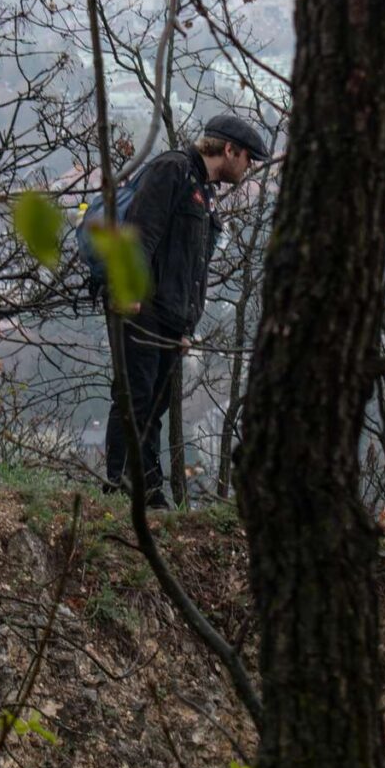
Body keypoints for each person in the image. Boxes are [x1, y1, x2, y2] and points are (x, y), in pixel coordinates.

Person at [104, 111, 271, 509]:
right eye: (247, 158)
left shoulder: (204, 191)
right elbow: (140, 232)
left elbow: (195, 267)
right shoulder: (173, 170)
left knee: (153, 408)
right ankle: (122, 490)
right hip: (142, 308)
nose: (249, 168)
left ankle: (147, 492)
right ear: (228, 150)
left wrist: (186, 328)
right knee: (134, 400)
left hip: (170, 317)